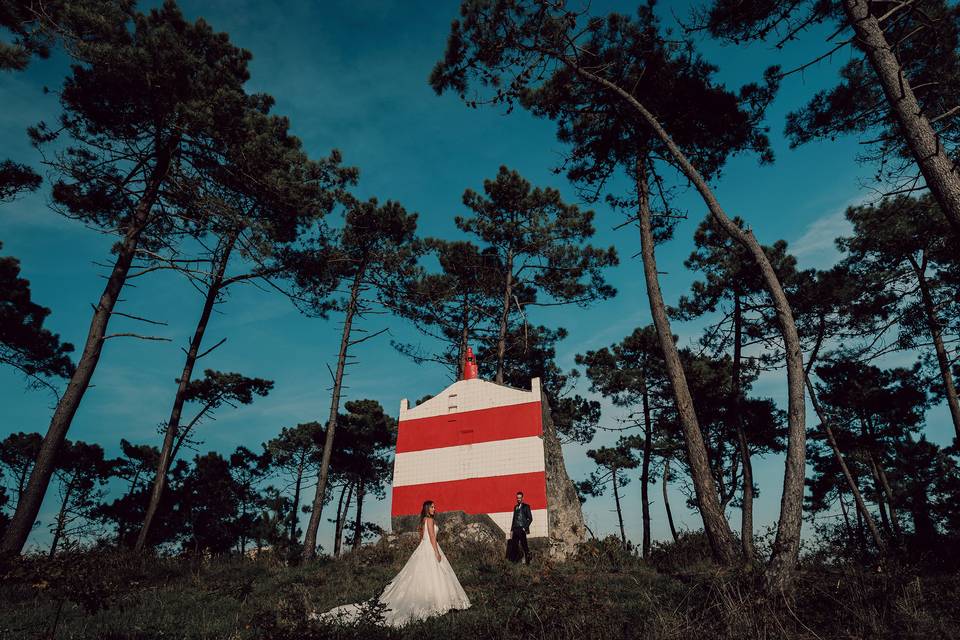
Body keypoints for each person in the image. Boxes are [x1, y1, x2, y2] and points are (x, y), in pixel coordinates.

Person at [315, 500, 471, 627]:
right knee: (435, 574)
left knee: (424, 576)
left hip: (423, 548)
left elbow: (421, 537)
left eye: (434, 507)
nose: (434, 509)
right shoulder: (429, 520)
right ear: (427, 508)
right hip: (430, 548)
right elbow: (431, 537)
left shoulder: (422, 520)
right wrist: (436, 552)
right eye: (432, 507)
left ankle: (435, 600)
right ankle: (439, 602)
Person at [509, 491, 533, 565]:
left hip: (522, 529)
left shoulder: (526, 506)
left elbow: (530, 518)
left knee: (524, 545)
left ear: (522, 498)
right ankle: (516, 561)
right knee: (514, 546)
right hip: (515, 529)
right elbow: (514, 519)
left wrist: (524, 528)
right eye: (517, 498)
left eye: (520, 498)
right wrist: (511, 530)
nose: (518, 499)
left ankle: (528, 561)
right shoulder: (515, 507)